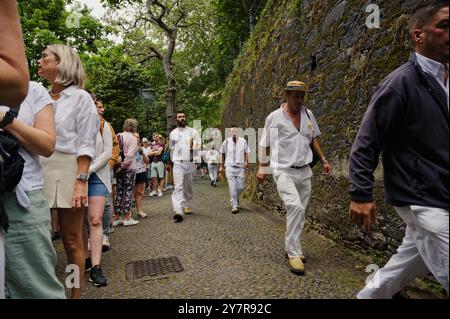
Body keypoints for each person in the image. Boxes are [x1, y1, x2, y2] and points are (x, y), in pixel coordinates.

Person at [348, 1, 449, 298]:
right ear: (419, 35)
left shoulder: (445, 81)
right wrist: (360, 193)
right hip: (421, 199)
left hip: (441, 194)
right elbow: (367, 140)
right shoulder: (399, 84)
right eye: (444, 25)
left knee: (400, 269)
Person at [38, 44, 99, 298]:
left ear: (62, 63)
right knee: (36, 238)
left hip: (69, 168)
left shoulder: (81, 98)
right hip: (37, 167)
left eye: (45, 57)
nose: (39, 60)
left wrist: (81, 180)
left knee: (72, 240)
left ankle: (75, 295)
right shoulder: (36, 94)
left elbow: (86, 142)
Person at [257, 80, 331, 275]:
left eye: (302, 96)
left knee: (299, 213)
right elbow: (265, 144)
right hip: (283, 170)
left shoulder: (308, 114)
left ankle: (292, 247)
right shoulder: (274, 117)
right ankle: (294, 253)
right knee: (295, 207)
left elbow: (313, 138)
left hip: (304, 170)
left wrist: (323, 159)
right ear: (287, 95)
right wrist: (261, 167)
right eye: (296, 96)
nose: (299, 99)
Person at [0, 81, 66, 298]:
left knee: (35, 289)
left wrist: (5, 118)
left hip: (20, 201)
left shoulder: (32, 90)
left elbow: (46, 145)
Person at [84, 97, 112, 287]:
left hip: (96, 176)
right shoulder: (73, 119)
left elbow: (108, 151)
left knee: (95, 220)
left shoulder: (103, 125)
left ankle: (96, 267)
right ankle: (82, 258)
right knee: (78, 223)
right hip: (73, 175)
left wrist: (90, 169)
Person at [169, 112, 201, 222]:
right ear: (176, 119)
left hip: (190, 162)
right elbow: (171, 148)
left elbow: (198, 145)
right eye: (179, 117)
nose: (182, 118)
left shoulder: (193, 132)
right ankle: (178, 210)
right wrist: (171, 161)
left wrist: (196, 157)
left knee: (188, 186)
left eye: (183, 116)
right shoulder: (173, 133)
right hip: (178, 162)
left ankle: (187, 205)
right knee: (178, 186)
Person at [0, 0, 29, 107]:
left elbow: (16, 83)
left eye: (45, 56)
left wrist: (5, 118)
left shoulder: (38, 91)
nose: (39, 60)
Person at [112, 119, 139, 227]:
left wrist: (118, 167)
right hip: (129, 168)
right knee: (128, 191)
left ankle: (117, 217)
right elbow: (130, 156)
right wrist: (123, 166)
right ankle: (127, 217)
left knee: (119, 191)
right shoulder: (133, 138)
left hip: (117, 167)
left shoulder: (118, 135)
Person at [219, 127, 249, 213]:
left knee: (241, 187)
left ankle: (235, 197)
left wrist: (246, 162)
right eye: (232, 131)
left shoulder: (243, 141)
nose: (234, 132)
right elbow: (222, 153)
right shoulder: (226, 142)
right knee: (232, 186)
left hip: (240, 167)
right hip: (229, 167)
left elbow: (246, 152)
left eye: (235, 131)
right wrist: (221, 166)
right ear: (230, 133)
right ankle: (234, 205)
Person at [133, 133, 149, 218]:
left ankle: (139, 210)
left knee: (139, 192)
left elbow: (147, 161)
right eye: (135, 137)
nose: (137, 139)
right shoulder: (128, 148)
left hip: (141, 171)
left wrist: (142, 152)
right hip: (131, 172)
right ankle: (127, 213)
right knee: (129, 192)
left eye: (138, 137)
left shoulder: (141, 149)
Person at [149, 133, 165, 197]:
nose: (155, 138)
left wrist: (154, 152)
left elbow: (159, 153)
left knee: (161, 177)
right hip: (153, 162)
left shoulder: (161, 144)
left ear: (158, 137)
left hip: (160, 162)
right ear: (153, 138)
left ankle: (160, 191)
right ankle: (154, 191)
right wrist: (155, 152)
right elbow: (149, 154)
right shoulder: (152, 145)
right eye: (154, 137)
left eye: (156, 136)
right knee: (154, 177)